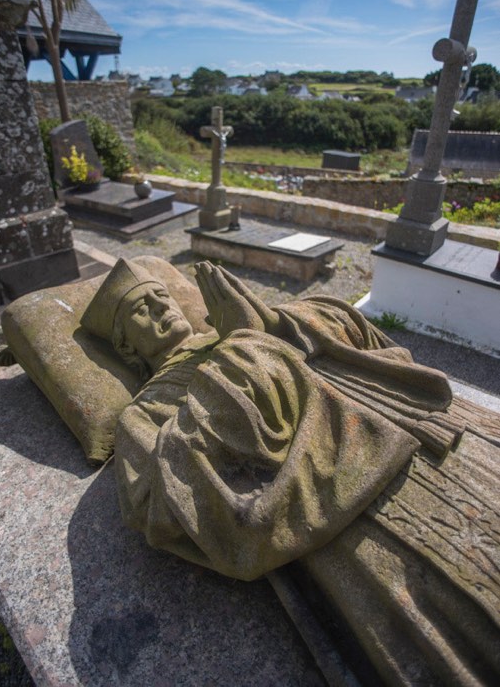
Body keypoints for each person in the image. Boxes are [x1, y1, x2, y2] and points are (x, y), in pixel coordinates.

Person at [83, 259, 500, 685]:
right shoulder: (144, 411)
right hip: (340, 505)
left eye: (160, 296)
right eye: (140, 309)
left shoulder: (233, 324)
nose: (159, 308)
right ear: (128, 346)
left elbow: (352, 333)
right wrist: (245, 348)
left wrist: (274, 322)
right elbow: (158, 498)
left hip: (421, 431)